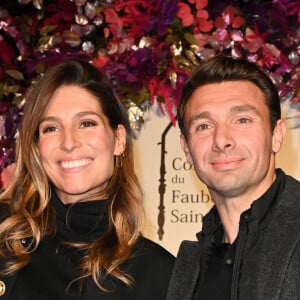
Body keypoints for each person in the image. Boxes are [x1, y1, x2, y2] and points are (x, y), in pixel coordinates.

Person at [0, 60, 174, 299]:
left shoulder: (159, 273)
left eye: (86, 123)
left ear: (119, 139)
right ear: (36, 146)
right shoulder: (5, 238)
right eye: (51, 128)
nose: (69, 142)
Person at [166, 55, 300, 300]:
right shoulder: (187, 267)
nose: (222, 140)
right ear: (187, 148)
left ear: (277, 135)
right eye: (204, 126)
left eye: (242, 120)